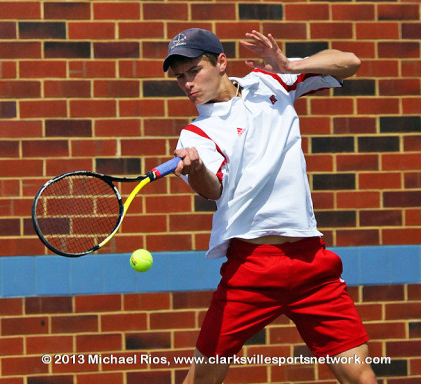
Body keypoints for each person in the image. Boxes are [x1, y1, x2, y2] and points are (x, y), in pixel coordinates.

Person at [163, 28, 377, 384]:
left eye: (194, 70)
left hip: (311, 261)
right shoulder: (195, 134)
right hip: (251, 266)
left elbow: (349, 63)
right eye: (180, 77)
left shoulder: (270, 82)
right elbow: (213, 190)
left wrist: (288, 63)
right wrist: (197, 168)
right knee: (201, 379)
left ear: (220, 62)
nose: (188, 83)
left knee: (359, 375)